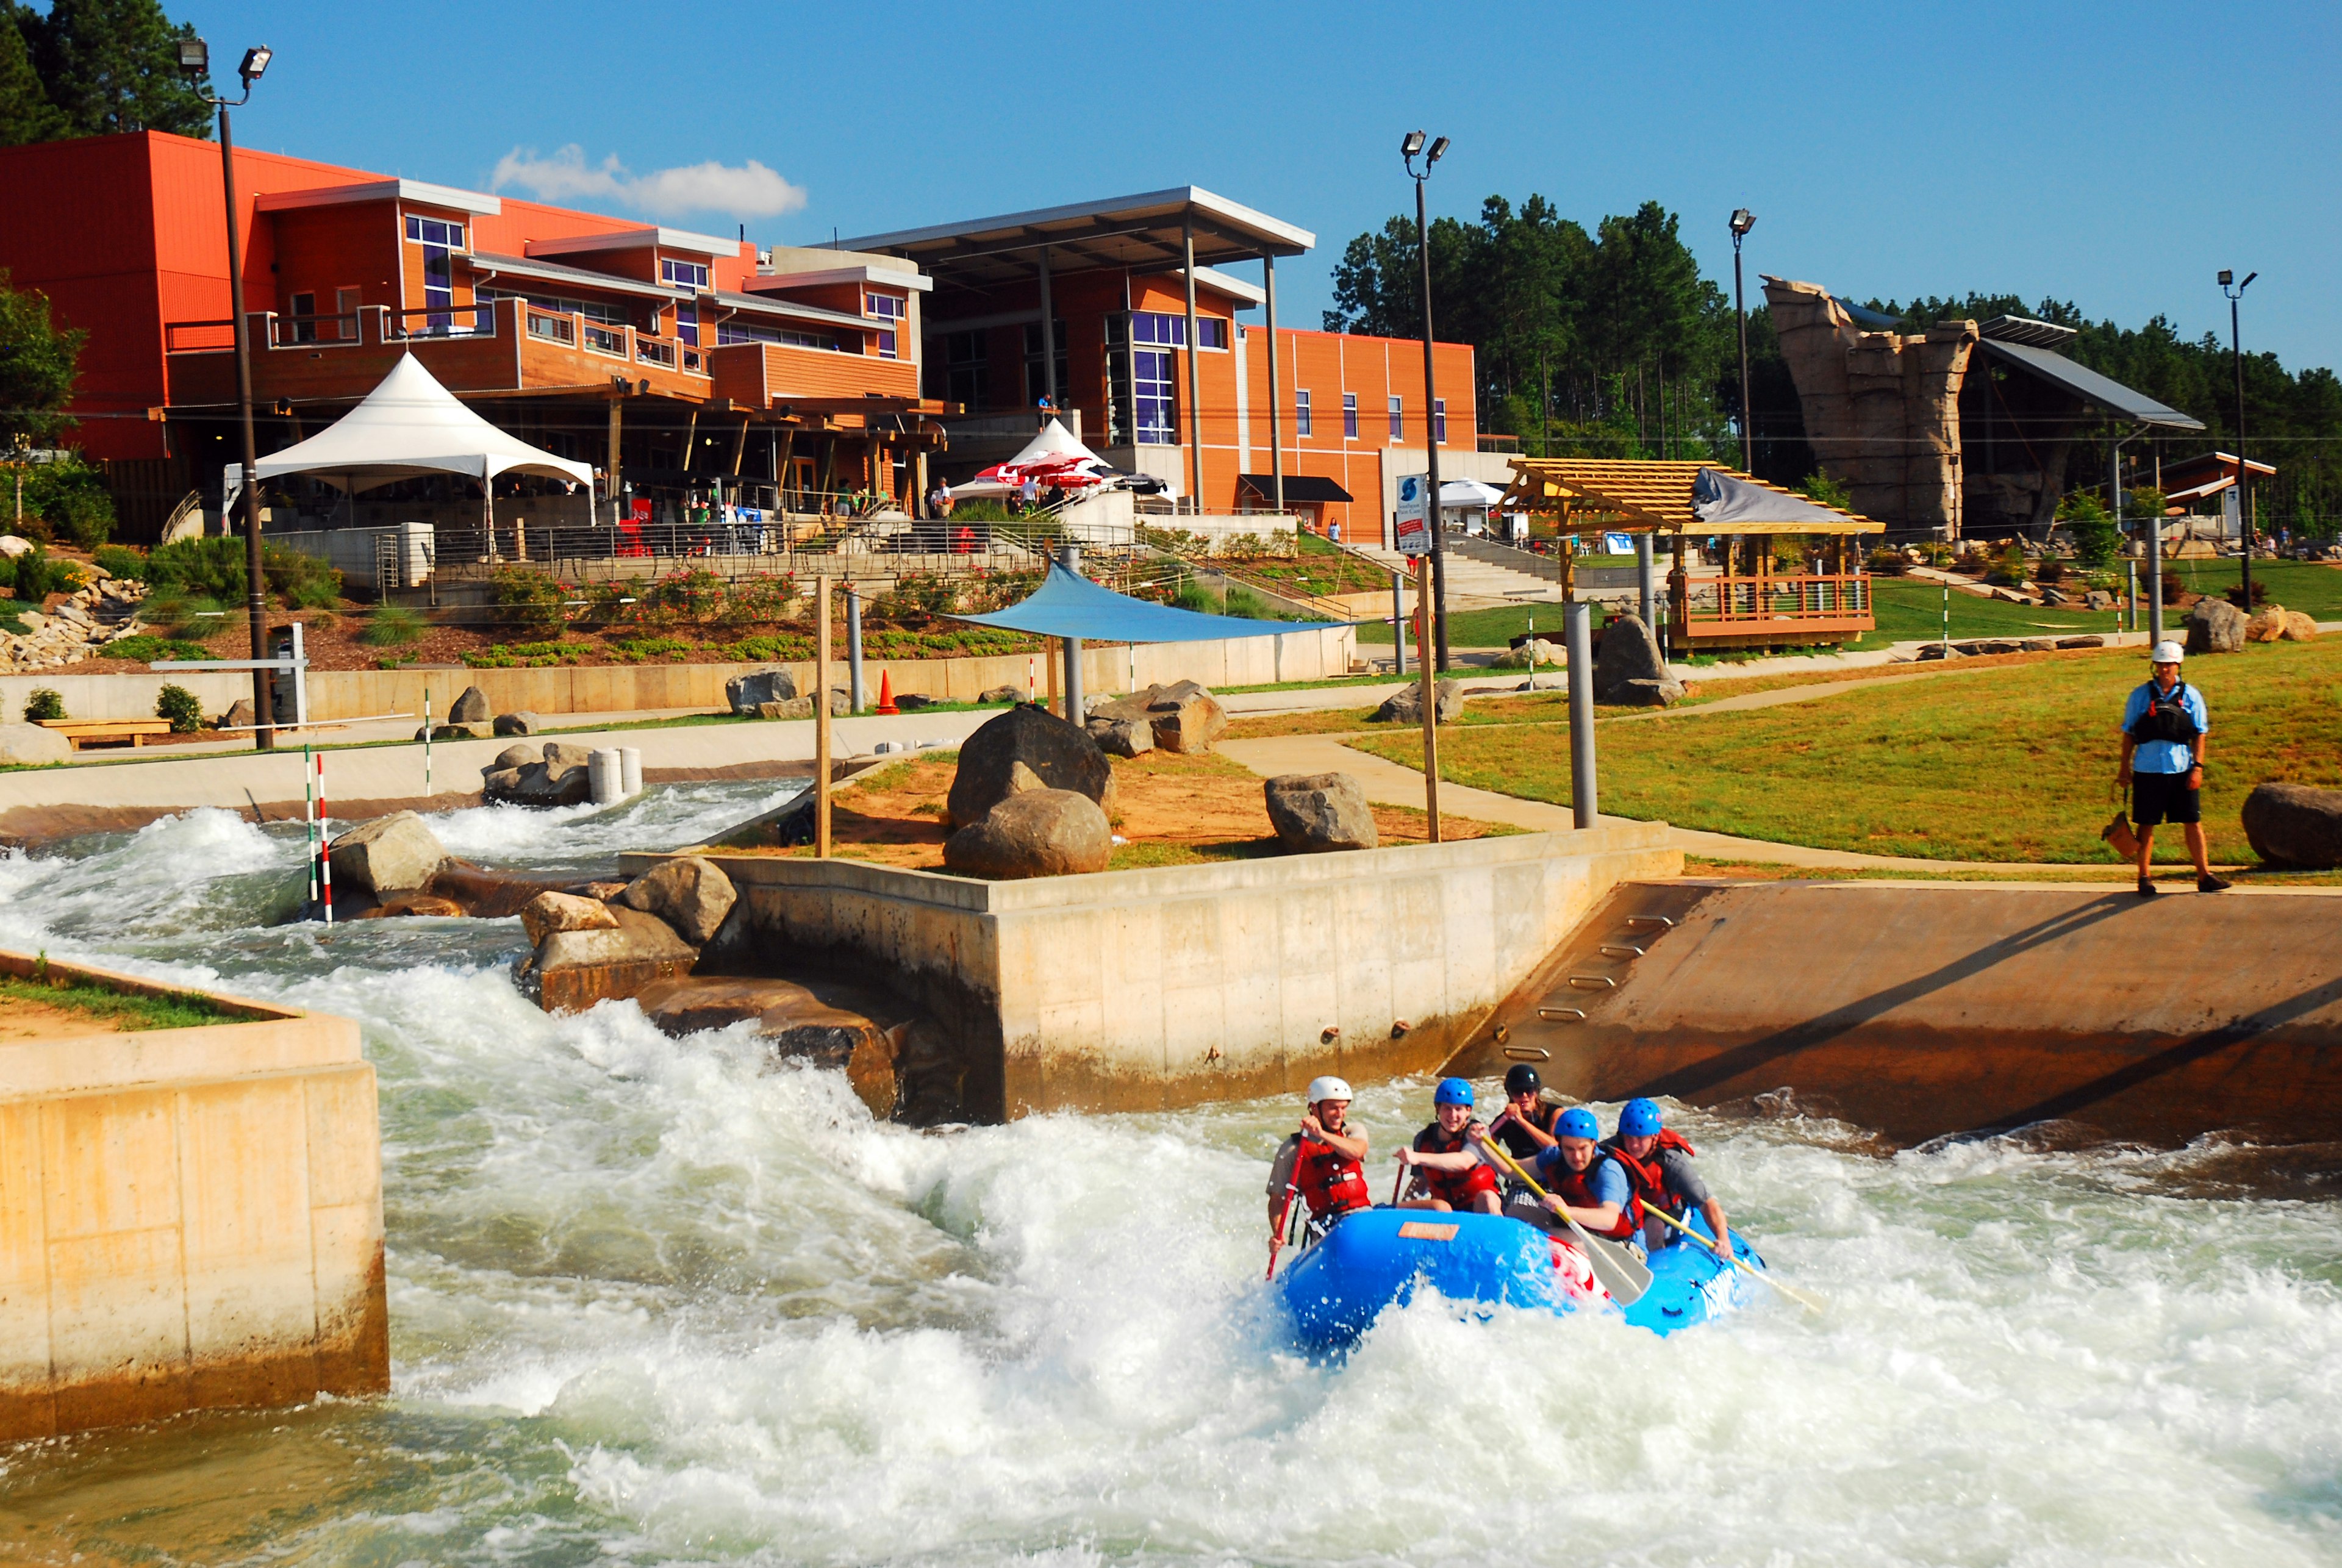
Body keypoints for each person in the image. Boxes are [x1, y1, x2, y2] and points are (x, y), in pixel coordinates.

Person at [2118, 640, 2230, 896]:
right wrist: (2124, 769)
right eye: (2160, 664)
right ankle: (2144, 877)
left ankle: (2204, 875)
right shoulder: (2140, 696)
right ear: (2154, 666)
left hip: (2181, 768)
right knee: (2146, 825)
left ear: (2178, 665)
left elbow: (2200, 734)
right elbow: (2129, 733)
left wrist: (2198, 768)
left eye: (2169, 664)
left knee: (2192, 822)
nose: (2165, 669)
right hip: (2147, 768)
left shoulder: (2191, 695)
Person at [1602, 1098, 1731, 1259]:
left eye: (1641, 1139)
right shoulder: (1608, 1152)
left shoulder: (1671, 1162)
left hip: (1664, 1210)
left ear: (1654, 1137)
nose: (1634, 1145)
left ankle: (1657, 1268)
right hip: (1626, 1206)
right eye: (1629, 1137)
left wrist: (1723, 1239)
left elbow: (1707, 1203)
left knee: (1654, 1228)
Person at [1266, 1076, 1371, 1245]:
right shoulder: (1293, 1149)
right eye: (1333, 1108)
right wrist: (1277, 1233)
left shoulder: (1352, 1132)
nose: (1340, 1114)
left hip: (1362, 1216)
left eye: (1343, 1108)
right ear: (1314, 1108)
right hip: (1325, 1226)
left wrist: (1320, 1133)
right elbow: (1278, 1199)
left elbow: (1357, 1151)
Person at [1519, 1107, 1640, 1245]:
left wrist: (1567, 1211)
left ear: (1594, 1144)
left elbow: (1609, 1220)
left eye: (1583, 1148)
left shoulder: (1608, 1170)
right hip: (1579, 1229)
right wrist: (1488, 1146)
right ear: (1561, 1145)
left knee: (1554, 1234)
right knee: (1518, 1211)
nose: (1577, 1156)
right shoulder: (1554, 1156)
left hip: (1618, 1243)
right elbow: (1511, 1170)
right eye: (1569, 1149)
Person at [1395, 1078, 1502, 1214]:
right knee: (1440, 1207)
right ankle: (1388, 1210)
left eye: (1459, 1109)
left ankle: (1496, 1231)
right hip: (1447, 1212)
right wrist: (1405, 1203)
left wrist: (1417, 1157)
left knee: (1487, 1198)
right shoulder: (1423, 1139)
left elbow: (1464, 1162)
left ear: (1468, 1111)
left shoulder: (1478, 1134)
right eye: (1447, 1108)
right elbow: (1421, 1181)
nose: (1453, 1116)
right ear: (1438, 1109)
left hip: (1479, 1209)